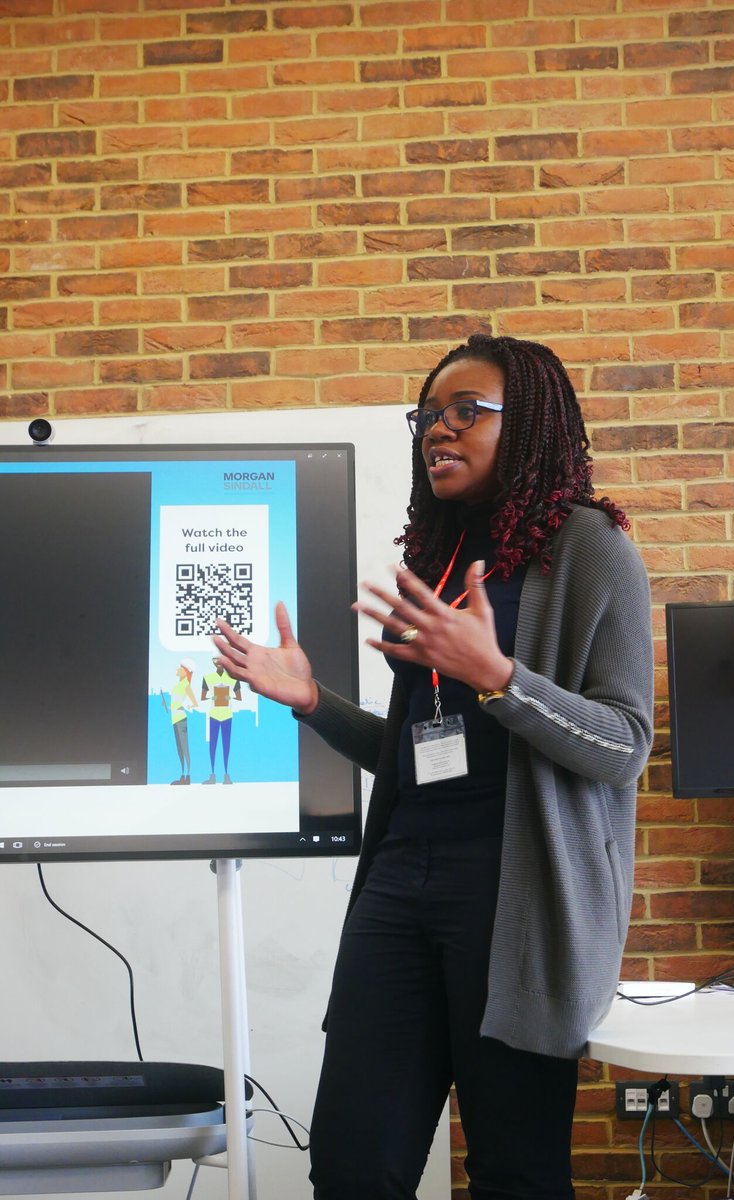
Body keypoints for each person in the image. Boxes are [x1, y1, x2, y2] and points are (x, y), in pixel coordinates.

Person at [213, 333, 654, 1200]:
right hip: (399, 883)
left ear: (526, 423)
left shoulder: (588, 547)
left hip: (514, 896)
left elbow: (623, 743)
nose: (437, 432)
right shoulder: (440, 555)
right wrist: (312, 703)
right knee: (350, 1166)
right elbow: (413, 756)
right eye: (428, 416)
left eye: (465, 412)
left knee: (512, 1174)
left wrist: (497, 674)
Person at [200, 660, 241, 784]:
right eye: (215, 660)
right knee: (213, 745)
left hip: (227, 715)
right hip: (214, 715)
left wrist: (230, 697)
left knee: (226, 745)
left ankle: (226, 775)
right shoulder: (208, 678)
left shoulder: (233, 678)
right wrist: (212, 697)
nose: (218, 663)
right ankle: (212, 775)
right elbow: (202, 696)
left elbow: (239, 696)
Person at [169, 658, 198, 785]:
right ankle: (182, 775)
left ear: (185, 671)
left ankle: (188, 776)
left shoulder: (186, 685)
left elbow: (194, 703)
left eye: (180, 667)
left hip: (181, 720)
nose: (177, 669)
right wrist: (169, 707)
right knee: (179, 749)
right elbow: (176, 702)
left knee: (185, 749)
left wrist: (184, 707)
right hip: (174, 719)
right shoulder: (178, 685)